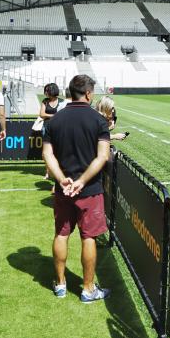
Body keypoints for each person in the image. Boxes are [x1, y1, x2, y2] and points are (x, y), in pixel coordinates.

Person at [42, 73, 112, 303]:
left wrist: (62, 179)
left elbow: (47, 155)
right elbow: (102, 156)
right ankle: (88, 289)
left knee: (61, 234)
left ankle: (61, 284)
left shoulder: (55, 120)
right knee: (88, 237)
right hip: (89, 189)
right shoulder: (98, 121)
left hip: (64, 189)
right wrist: (81, 181)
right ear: (89, 94)